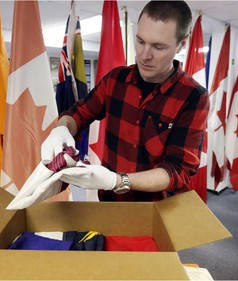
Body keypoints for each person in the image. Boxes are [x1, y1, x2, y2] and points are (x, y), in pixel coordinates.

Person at [41, 0, 210, 202]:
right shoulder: (115, 79)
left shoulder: (193, 96)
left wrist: (117, 181)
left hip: (157, 210)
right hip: (111, 204)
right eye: (140, 41)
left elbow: (177, 170)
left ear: (182, 43)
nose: (144, 55)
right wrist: (61, 128)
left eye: (158, 47)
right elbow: (79, 113)